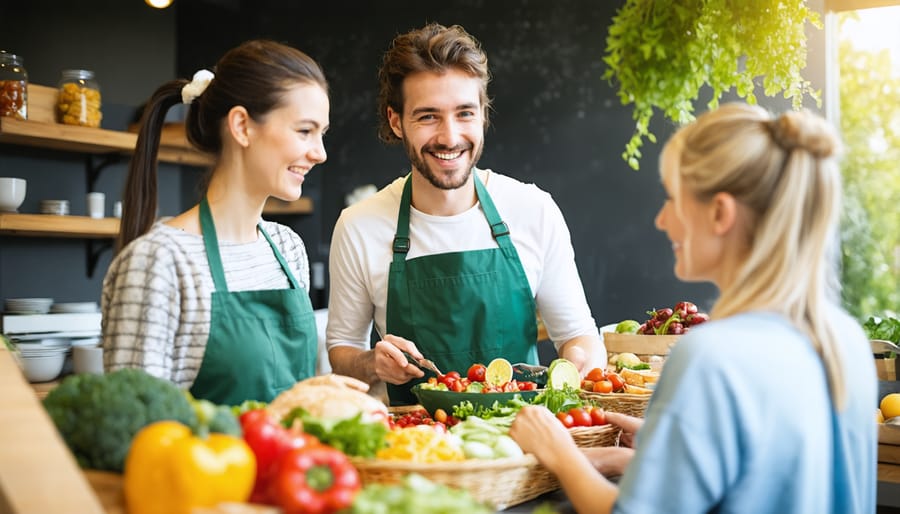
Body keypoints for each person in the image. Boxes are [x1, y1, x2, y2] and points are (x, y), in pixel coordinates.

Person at [509, 103, 877, 513]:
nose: (662, 220)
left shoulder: (709, 358)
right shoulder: (845, 340)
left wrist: (559, 454)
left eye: (673, 199)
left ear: (720, 212)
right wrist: (657, 448)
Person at [326, 22, 605, 405]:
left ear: (483, 114)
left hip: (525, 442)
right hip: (415, 448)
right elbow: (342, 351)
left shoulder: (532, 210)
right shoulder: (359, 225)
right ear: (396, 121)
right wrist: (373, 363)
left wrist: (574, 368)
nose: (450, 136)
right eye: (428, 116)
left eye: (464, 113)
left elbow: (578, 334)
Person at [101, 40, 330, 405]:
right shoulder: (159, 261)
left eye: (322, 134)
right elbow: (137, 425)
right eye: (304, 131)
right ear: (241, 126)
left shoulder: (288, 249)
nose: (320, 153)